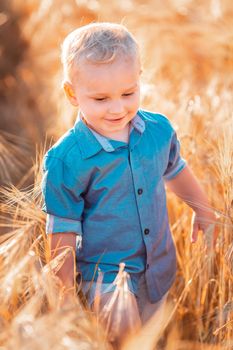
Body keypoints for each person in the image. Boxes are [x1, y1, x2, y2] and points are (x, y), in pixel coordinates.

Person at [41, 22, 217, 343]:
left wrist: (202, 209)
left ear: (139, 77)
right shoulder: (67, 159)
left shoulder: (158, 131)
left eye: (128, 92)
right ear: (71, 93)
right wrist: (64, 297)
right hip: (107, 277)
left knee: (152, 334)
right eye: (101, 98)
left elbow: (174, 169)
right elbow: (62, 231)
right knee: (126, 339)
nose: (118, 108)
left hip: (158, 265)